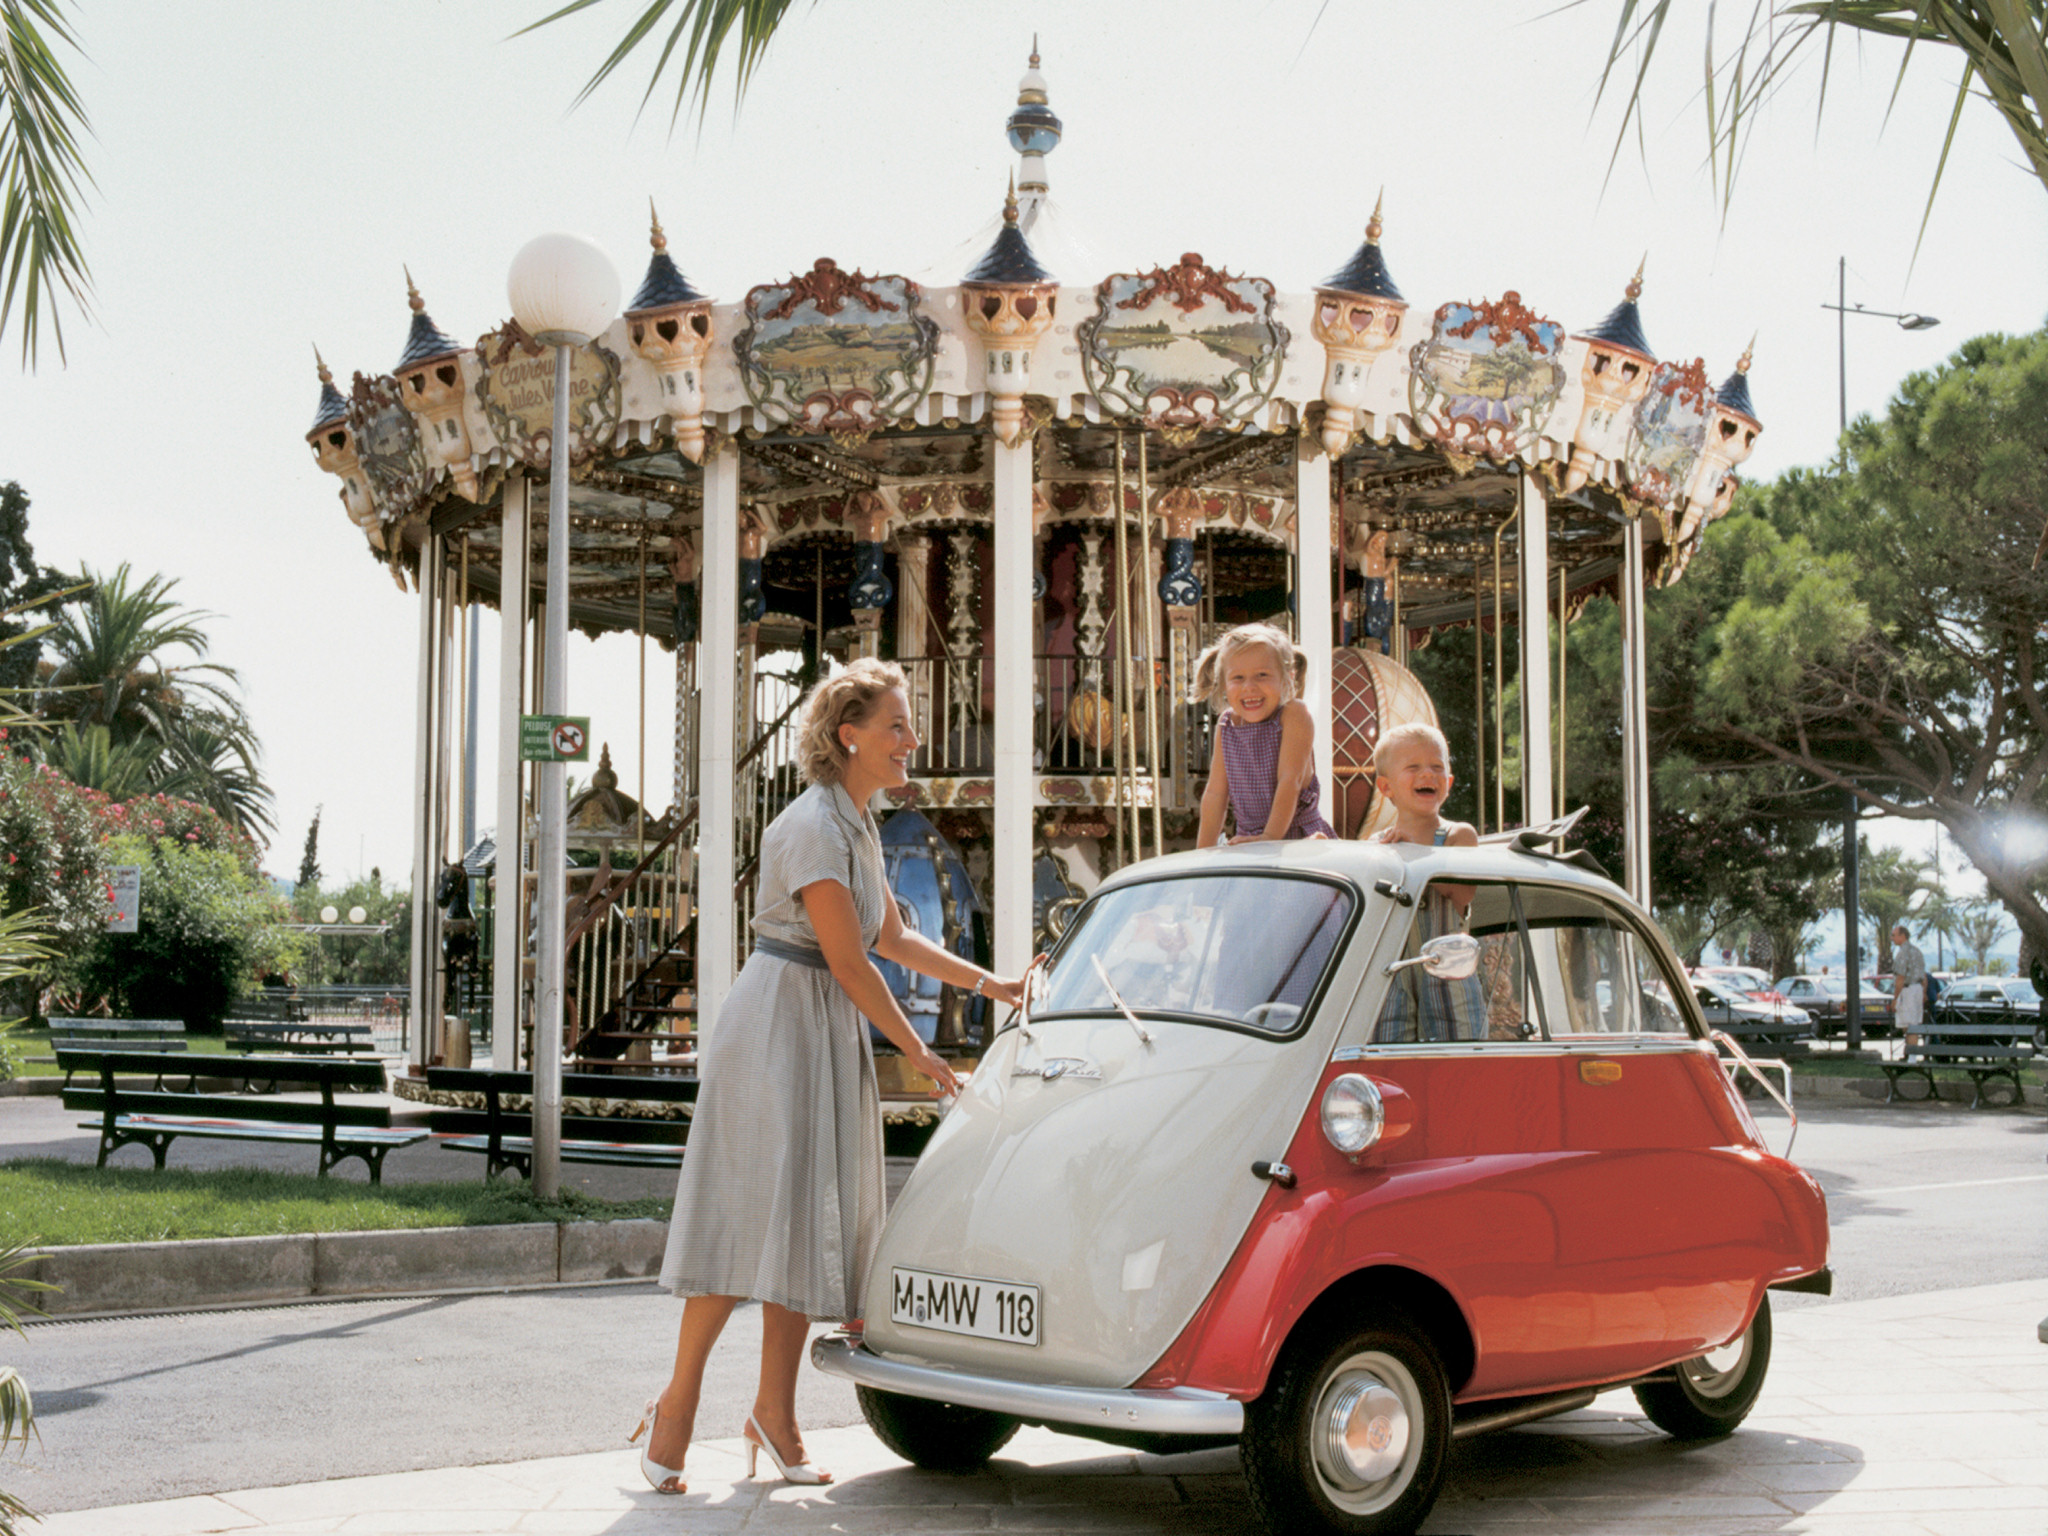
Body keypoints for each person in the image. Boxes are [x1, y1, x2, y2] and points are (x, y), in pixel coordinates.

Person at [634, 659, 1026, 1495]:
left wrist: (991, 984)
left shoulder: (858, 821)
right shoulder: (813, 824)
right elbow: (849, 962)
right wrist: (918, 1052)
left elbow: (892, 940)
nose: (910, 741)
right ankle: (678, 1403)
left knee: (803, 1220)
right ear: (849, 733)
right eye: (897, 726)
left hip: (821, 1021)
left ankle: (774, 1415)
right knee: (743, 1214)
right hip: (779, 1019)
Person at [1370, 723, 1484, 1041]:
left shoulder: (1457, 835)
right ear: (1386, 787)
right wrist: (1385, 856)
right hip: (1395, 971)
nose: (1427, 775)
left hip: (1451, 972)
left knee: (1457, 1051)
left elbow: (1461, 893)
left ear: (1448, 782)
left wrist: (1413, 855)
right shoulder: (1378, 843)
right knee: (1390, 1049)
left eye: (1436, 767)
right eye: (1413, 767)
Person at [1194, 621, 1336, 846]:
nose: (1249, 687)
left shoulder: (1293, 715)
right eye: (1237, 678)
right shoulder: (1227, 724)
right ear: (1223, 684)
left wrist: (1268, 839)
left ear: (1287, 677)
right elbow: (1215, 793)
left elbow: (1290, 781)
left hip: (1295, 838)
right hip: (1250, 841)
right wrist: (1202, 851)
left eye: (1262, 675)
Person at [1892, 922, 1927, 1056]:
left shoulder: (1903, 952)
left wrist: (1895, 998)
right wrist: (1923, 993)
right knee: (1913, 1024)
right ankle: (1909, 1054)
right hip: (1917, 989)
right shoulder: (1917, 951)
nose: (1892, 938)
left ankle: (1911, 1057)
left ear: (1903, 936)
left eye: (1894, 935)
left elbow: (1900, 977)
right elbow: (1924, 976)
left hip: (1908, 990)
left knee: (1909, 1026)